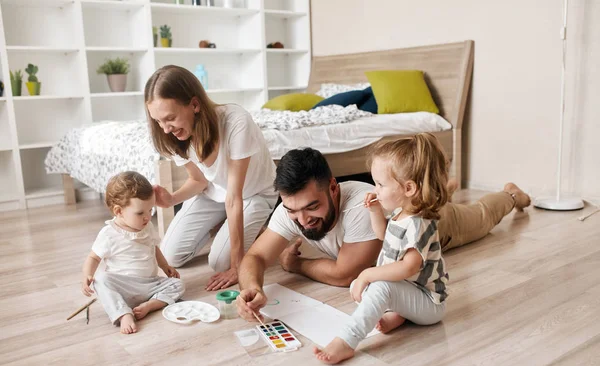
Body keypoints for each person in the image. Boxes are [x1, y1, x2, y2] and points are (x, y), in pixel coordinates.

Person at [236, 146, 530, 322]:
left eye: (312, 206)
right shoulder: (293, 209)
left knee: (480, 217)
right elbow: (256, 256)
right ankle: (444, 190)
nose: (302, 219)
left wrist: (294, 264)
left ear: (334, 188)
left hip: (432, 228)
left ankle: (511, 196)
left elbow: (344, 274)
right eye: (292, 210)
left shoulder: (362, 206)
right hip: (401, 210)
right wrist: (253, 287)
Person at [314, 133, 449, 364]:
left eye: (380, 184)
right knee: (361, 287)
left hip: (429, 303)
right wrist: (376, 212)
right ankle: (399, 315)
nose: (375, 190)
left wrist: (368, 274)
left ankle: (347, 341)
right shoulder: (400, 212)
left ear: (408, 188)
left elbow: (408, 267)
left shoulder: (419, 224)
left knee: (376, 286)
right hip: (408, 290)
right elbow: (384, 236)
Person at [145, 65, 278, 291]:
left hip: (252, 195)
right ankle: (226, 226)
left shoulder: (236, 122)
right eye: (158, 121)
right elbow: (199, 180)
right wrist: (171, 200)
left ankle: (261, 233)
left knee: (220, 262)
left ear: (195, 105)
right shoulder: (175, 136)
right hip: (216, 193)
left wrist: (237, 267)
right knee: (170, 255)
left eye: (170, 118)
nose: (165, 129)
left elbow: (235, 198)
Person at [81, 171, 184, 334]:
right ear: (118, 211)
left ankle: (150, 305)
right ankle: (123, 313)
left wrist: (165, 266)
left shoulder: (147, 227)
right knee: (100, 279)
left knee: (178, 284)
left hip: (150, 285)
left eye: (150, 210)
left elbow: (154, 247)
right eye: (140, 213)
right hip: (123, 288)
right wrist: (87, 275)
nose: (147, 217)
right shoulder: (109, 234)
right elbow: (93, 257)